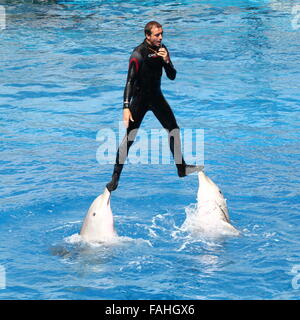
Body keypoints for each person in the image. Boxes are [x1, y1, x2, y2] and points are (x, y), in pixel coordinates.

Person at [106, 21, 203, 192]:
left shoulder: (162, 49)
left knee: (174, 130)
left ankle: (182, 168)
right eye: (157, 35)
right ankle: (115, 177)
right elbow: (129, 81)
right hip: (140, 100)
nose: (161, 37)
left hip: (157, 97)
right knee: (129, 137)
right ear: (147, 36)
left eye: (162, 34)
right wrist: (126, 107)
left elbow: (172, 76)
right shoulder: (138, 54)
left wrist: (166, 60)